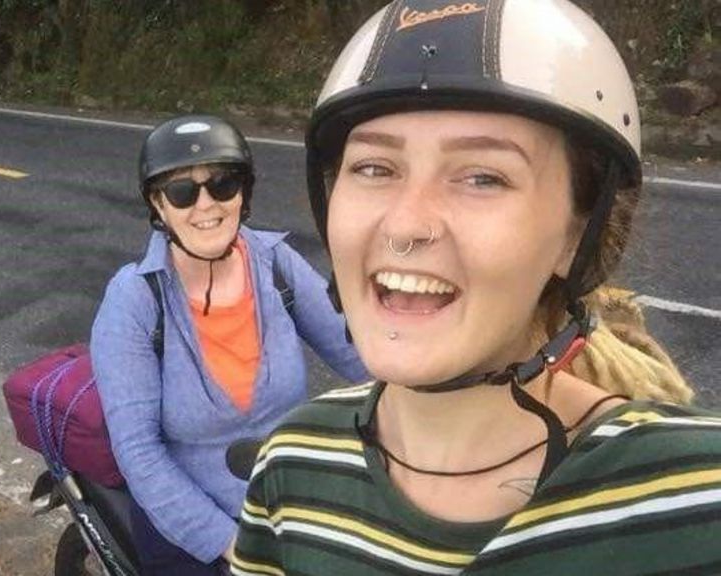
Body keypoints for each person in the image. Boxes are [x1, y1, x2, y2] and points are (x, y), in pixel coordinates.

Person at [231, 1, 720, 574]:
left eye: (483, 177)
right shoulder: (292, 465)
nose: (406, 225)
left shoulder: (696, 499)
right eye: (373, 168)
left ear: (579, 236)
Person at [90, 114, 368, 574]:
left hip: (288, 500)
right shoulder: (134, 300)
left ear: (243, 193)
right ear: (158, 204)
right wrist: (233, 545)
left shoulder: (275, 264)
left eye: (222, 184)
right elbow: (138, 451)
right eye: (182, 191)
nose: (206, 204)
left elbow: (362, 354)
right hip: (190, 522)